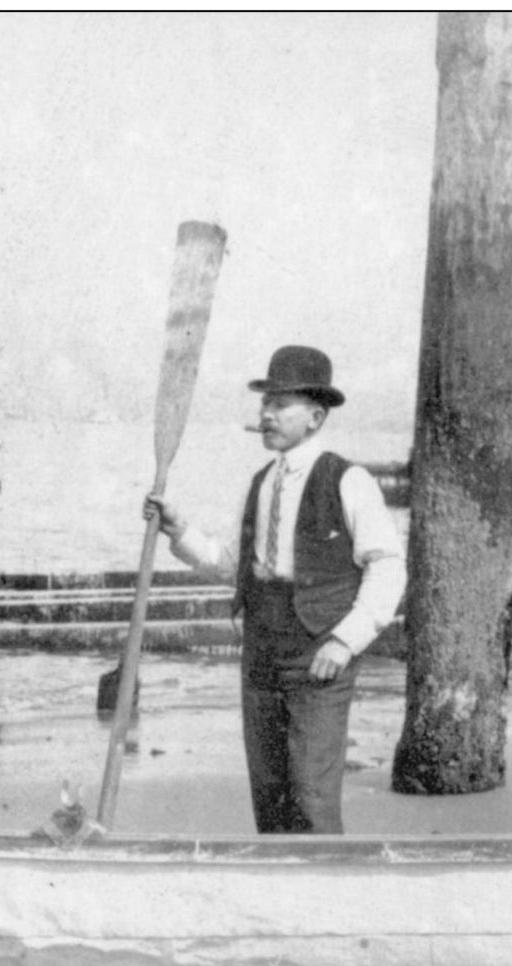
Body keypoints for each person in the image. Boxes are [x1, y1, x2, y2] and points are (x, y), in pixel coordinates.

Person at [144, 345, 406, 834]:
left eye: (280, 404)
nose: (266, 414)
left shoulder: (348, 481)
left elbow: (389, 567)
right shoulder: (259, 483)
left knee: (310, 794)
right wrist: (179, 531)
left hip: (318, 653)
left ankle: (323, 894)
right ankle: (277, 898)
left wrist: (345, 640)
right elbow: (235, 567)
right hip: (261, 648)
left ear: (314, 416)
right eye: (265, 403)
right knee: (269, 792)